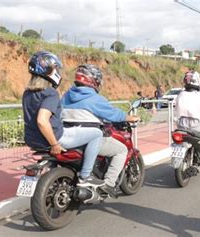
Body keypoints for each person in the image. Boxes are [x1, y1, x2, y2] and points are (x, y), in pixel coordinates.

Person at [22, 52, 104, 187]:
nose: (58, 72)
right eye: (56, 69)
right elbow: (42, 121)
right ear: (49, 71)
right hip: (55, 138)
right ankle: (86, 176)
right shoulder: (50, 93)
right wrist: (54, 144)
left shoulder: (27, 93)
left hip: (32, 140)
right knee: (97, 134)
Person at [61, 64, 140, 198]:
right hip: (88, 138)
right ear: (93, 80)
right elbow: (113, 114)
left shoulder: (66, 95)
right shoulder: (95, 98)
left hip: (68, 136)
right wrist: (130, 118)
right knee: (121, 150)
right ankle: (108, 184)